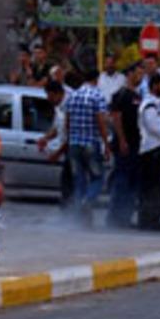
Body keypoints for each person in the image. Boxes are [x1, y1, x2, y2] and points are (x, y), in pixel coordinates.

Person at [64, 69, 112, 226]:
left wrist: (69, 139)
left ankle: (80, 218)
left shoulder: (73, 96)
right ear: (96, 79)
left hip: (74, 143)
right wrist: (106, 144)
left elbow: (67, 122)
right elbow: (101, 122)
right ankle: (88, 200)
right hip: (91, 142)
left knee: (79, 180)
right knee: (98, 177)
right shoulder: (97, 96)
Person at [107, 62, 144, 228]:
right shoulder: (121, 95)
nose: (140, 76)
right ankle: (115, 217)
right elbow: (116, 117)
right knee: (121, 180)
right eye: (138, 72)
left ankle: (125, 217)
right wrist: (122, 140)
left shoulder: (138, 96)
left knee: (132, 182)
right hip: (125, 144)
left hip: (136, 143)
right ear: (129, 74)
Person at [137, 74, 160, 231]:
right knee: (154, 187)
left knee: (153, 187)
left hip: (153, 149)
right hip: (151, 150)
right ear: (154, 86)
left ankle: (151, 218)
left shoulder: (154, 104)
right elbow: (154, 127)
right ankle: (150, 219)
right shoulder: (150, 105)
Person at [37, 81, 72, 207]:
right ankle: (68, 211)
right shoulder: (58, 107)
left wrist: (57, 154)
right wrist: (45, 138)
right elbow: (57, 129)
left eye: (50, 95)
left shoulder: (69, 106)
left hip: (73, 149)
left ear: (58, 94)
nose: (48, 99)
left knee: (70, 182)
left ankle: (74, 213)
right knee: (66, 182)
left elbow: (71, 136)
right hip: (67, 149)